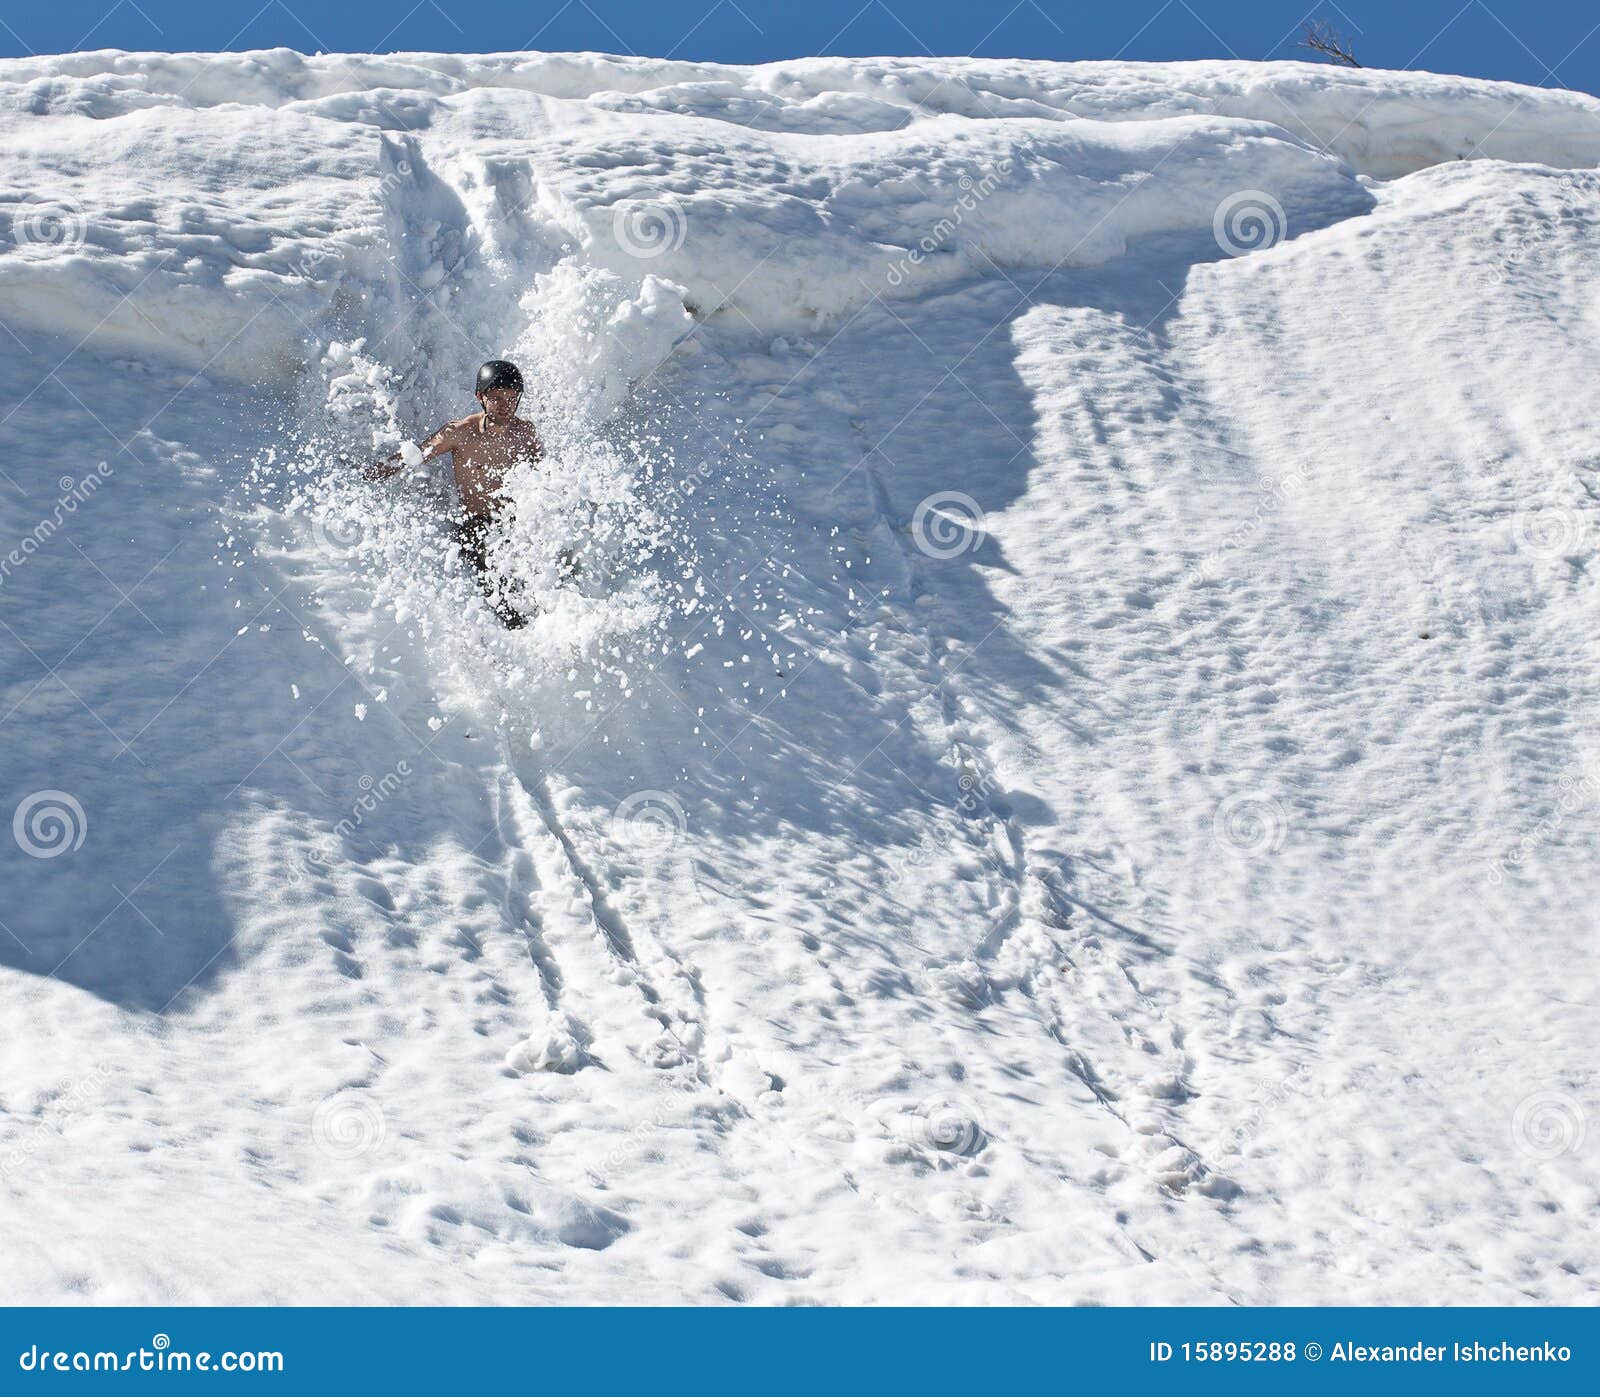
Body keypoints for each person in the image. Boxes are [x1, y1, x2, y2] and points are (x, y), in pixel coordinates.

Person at [364, 359, 541, 628]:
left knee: (540, 578)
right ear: (480, 397)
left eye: (512, 398)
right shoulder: (460, 432)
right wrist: (373, 473)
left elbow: (544, 475)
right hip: (477, 526)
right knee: (502, 596)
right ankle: (514, 638)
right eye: (496, 398)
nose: (506, 405)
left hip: (513, 525)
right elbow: (414, 456)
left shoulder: (525, 432)